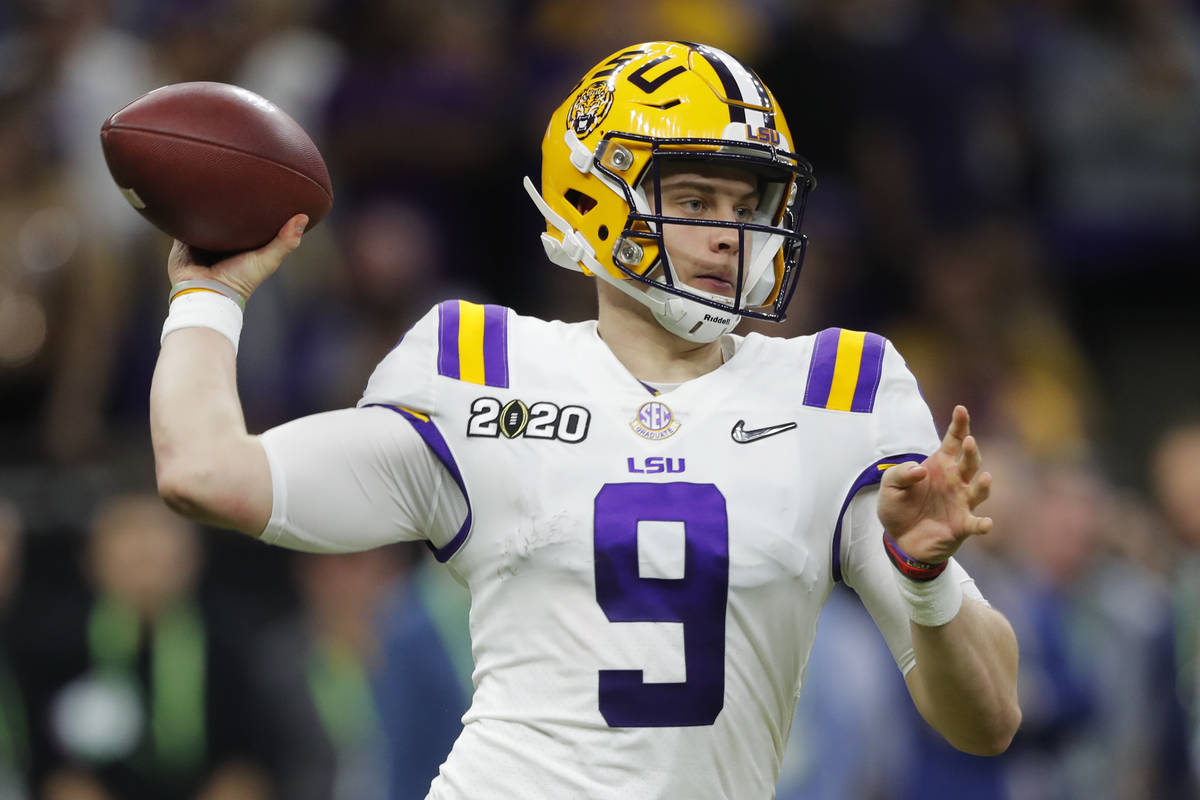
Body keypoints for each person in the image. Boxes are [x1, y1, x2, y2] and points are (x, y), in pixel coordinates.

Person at [149, 41, 1021, 799]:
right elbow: (207, 473)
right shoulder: (475, 363)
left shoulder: (839, 389)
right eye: (696, 200)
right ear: (599, 198)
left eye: (747, 208)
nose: (730, 235)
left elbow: (987, 722)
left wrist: (926, 577)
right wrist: (209, 295)